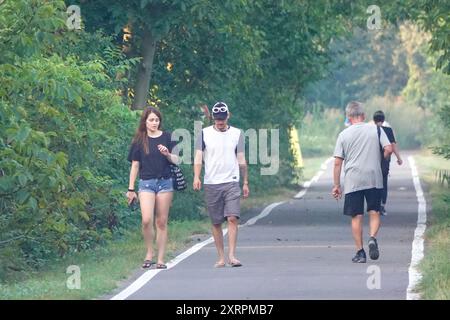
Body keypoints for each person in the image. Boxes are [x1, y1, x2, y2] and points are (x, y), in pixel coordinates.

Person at [332, 101, 393, 263]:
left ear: (348, 117)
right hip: (374, 177)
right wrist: (381, 158)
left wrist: (337, 185)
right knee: (374, 211)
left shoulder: (343, 135)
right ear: (364, 116)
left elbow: (338, 162)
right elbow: (389, 149)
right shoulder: (377, 129)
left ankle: (360, 252)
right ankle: (372, 237)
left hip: (353, 180)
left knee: (356, 216)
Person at [193, 102, 250, 268]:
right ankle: (221, 257)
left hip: (231, 180)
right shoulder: (204, 134)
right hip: (212, 181)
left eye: (222, 118)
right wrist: (196, 176)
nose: (220, 121)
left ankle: (232, 255)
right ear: (213, 117)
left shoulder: (237, 134)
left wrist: (245, 181)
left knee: (232, 218)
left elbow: (241, 159)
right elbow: (198, 157)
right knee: (216, 221)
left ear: (228, 116)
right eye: (217, 119)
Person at [126, 106, 179, 269]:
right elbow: (135, 165)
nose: (154, 123)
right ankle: (150, 252)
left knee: (161, 221)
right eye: (151, 120)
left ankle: (161, 258)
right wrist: (130, 189)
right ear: (145, 121)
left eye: (157, 120)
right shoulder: (139, 140)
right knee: (146, 220)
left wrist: (167, 154)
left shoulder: (168, 137)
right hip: (146, 183)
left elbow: (177, 160)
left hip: (165, 182)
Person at [373, 110, 403, 216]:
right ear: (383, 119)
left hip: (372, 161)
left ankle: (374, 206)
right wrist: (399, 158)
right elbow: (393, 146)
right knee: (383, 183)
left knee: (373, 184)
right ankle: (382, 206)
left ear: (374, 120)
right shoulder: (388, 130)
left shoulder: (370, 130)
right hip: (384, 161)